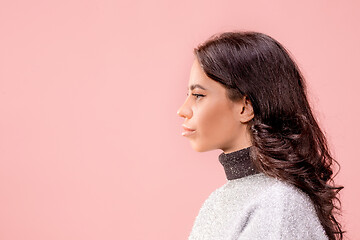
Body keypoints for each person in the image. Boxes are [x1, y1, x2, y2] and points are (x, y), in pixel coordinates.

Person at [177, 31, 344, 240]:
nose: (182, 110)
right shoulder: (221, 199)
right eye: (188, 96)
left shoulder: (280, 204)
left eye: (198, 96)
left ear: (245, 107)